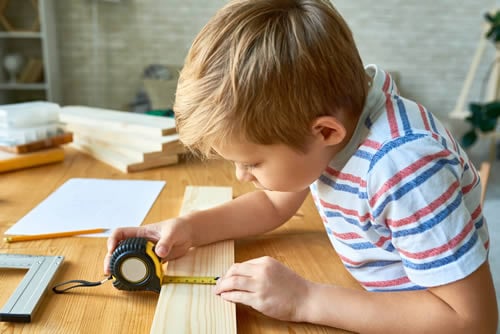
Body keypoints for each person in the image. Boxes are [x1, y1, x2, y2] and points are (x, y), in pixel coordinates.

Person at [104, 0, 498, 332]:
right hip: (371, 294)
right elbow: (275, 203)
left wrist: (306, 299)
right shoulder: (337, 120)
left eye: (252, 162)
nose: (242, 176)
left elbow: (472, 320)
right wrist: (190, 228)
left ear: (325, 132)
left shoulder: (402, 169)